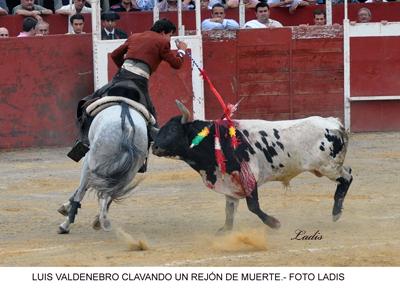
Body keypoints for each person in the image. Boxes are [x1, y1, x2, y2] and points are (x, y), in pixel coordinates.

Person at [68, 19, 188, 168]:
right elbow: (177, 64)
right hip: (139, 84)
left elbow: (115, 55)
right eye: (170, 35)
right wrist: (182, 49)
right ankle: (143, 158)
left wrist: (123, 69)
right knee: (151, 119)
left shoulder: (135, 36)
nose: (169, 38)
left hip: (120, 78)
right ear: (164, 32)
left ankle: (83, 141)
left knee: (87, 103)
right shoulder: (163, 42)